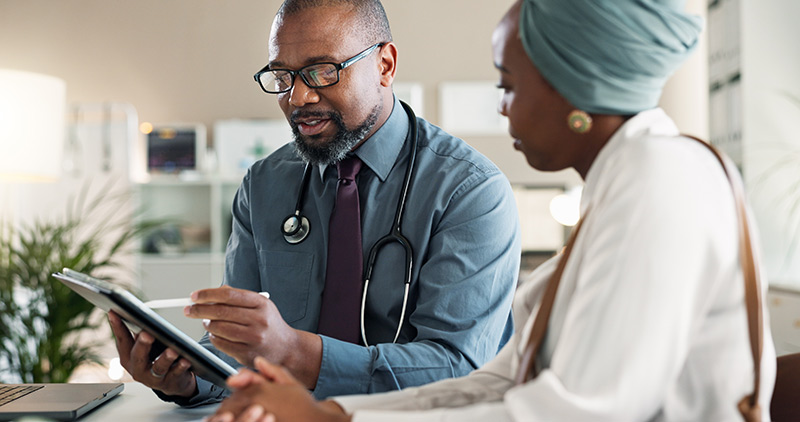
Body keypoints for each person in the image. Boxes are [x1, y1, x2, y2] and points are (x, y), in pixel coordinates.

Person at [203, 0, 779, 421]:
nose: (502, 110)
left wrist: (326, 413)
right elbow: (500, 381)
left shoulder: (661, 179)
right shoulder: (628, 181)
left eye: (508, 85)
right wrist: (340, 416)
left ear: (571, 89)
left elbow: (575, 411)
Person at [107, 0, 521, 408]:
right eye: (282, 75)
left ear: (385, 65)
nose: (299, 96)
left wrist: (295, 353)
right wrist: (187, 380)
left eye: (323, 71)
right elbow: (238, 350)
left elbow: (458, 369)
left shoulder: (470, 191)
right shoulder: (265, 184)